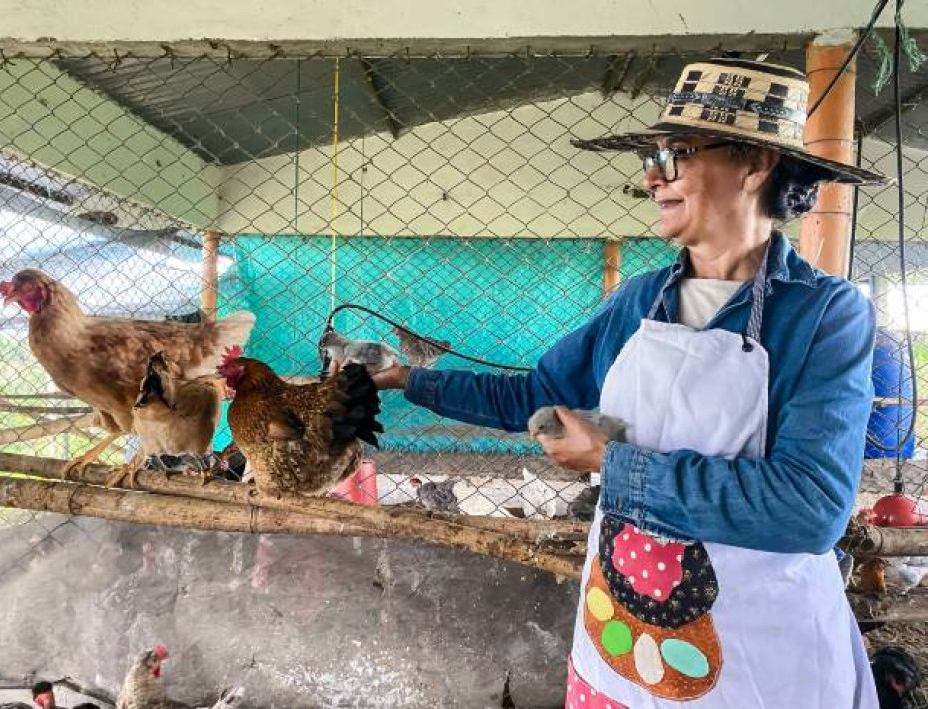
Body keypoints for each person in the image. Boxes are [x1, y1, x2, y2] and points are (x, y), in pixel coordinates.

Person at [370, 58, 886, 708]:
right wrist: (406, 379)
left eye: (675, 155)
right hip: (620, 654)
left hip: (760, 666)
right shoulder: (640, 300)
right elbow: (534, 397)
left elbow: (807, 508)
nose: (650, 176)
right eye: (651, 157)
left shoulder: (821, 313)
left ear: (753, 164)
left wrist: (614, 466)